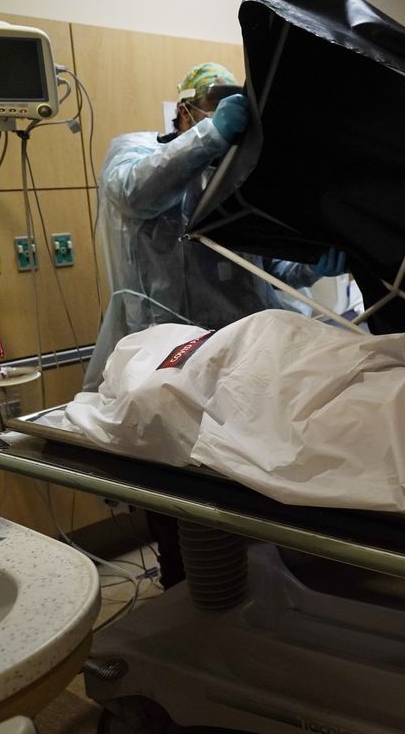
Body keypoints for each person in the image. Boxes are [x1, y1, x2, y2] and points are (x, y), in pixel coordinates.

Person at [85, 62, 347, 585]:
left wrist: (312, 264)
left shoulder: (232, 176)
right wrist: (211, 134)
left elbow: (268, 266)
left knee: (244, 492)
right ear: (185, 110)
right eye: (214, 106)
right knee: (176, 501)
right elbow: (136, 193)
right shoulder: (135, 150)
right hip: (162, 363)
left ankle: (263, 591)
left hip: (238, 366)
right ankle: (185, 587)